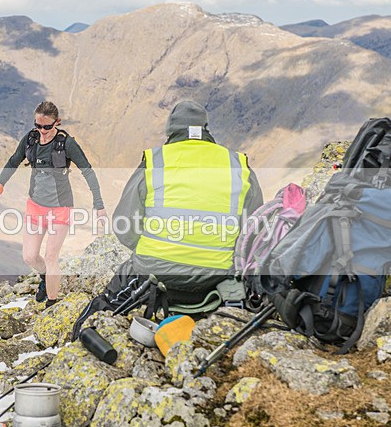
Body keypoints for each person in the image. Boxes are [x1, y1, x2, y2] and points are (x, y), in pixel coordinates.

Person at [72, 100, 263, 335]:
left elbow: (125, 227)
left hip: (156, 271)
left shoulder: (154, 162)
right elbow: (253, 231)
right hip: (216, 277)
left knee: (100, 311)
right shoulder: (238, 165)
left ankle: (80, 336)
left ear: (170, 131)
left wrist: (154, 249)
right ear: (206, 130)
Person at [0, 101, 106, 307]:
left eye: (47, 127)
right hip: (35, 206)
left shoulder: (66, 143)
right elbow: (13, 161)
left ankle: (52, 302)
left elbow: (88, 170)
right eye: (38, 126)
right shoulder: (30, 139)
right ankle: (44, 278)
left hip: (61, 207)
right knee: (29, 257)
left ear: (56, 122)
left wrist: (99, 204)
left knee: (51, 256)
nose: (42, 131)